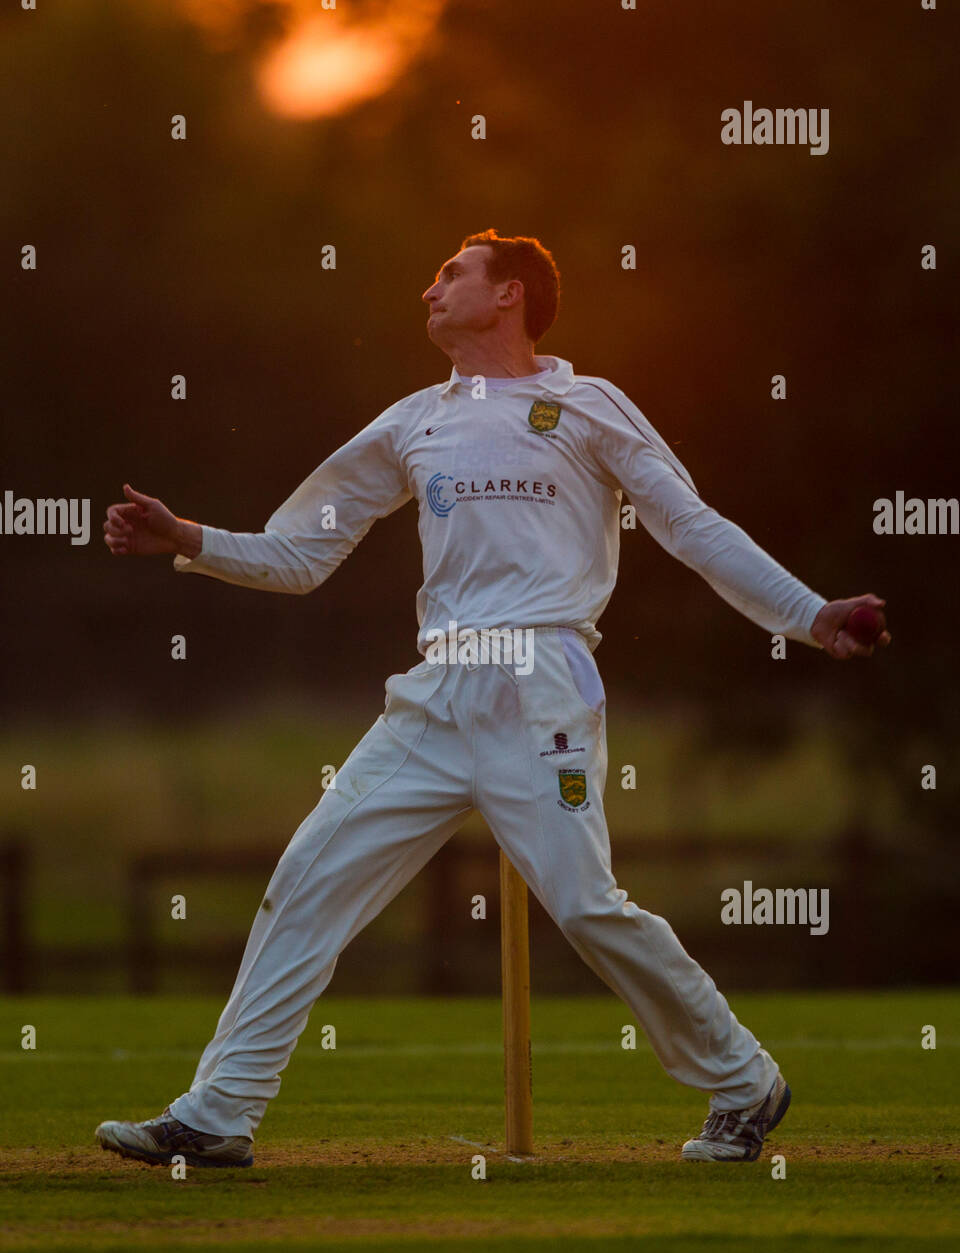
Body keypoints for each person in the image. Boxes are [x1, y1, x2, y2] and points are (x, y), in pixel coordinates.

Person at [97, 229, 890, 1168]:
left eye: (450, 275)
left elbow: (690, 525)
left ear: (510, 294)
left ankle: (744, 1082)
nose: (427, 288)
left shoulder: (588, 404)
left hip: (541, 685)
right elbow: (302, 553)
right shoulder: (409, 423)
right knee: (305, 885)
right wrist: (189, 536)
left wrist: (808, 612)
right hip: (432, 695)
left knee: (588, 906)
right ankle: (217, 1115)